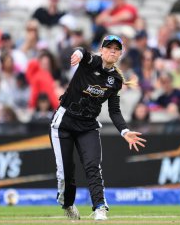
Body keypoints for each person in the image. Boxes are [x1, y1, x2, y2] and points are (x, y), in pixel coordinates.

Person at [49, 35, 146, 221]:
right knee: (65, 174)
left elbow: (114, 111)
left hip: (87, 126)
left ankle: (100, 207)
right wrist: (78, 52)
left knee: (93, 166)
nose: (112, 51)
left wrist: (124, 131)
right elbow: (84, 53)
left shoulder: (116, 80)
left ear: (120, 54)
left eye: (116, 49)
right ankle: (67, 203)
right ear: (101, 50)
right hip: (64, 124)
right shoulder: (91, 62)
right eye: (108, 47)